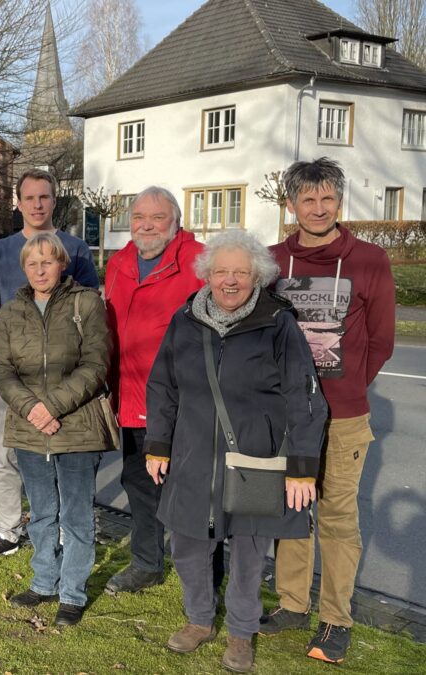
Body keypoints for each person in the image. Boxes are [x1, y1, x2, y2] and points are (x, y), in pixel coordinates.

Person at [144, 230, 327, 672]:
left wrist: (302, 467)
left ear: (257, 277)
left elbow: (304, 395)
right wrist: (158, 444)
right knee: (188, 546)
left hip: (255, 460)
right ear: (207, 275)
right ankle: (199, 619)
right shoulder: (185, 319)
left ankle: (241, 632)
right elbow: (162, 385)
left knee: (249, 552)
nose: (230, 281)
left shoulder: (277, 322)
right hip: (192, 457)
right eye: (221, 271)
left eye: (241, 273)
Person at [260, 157, 396, 664]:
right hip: (286, 415)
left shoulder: (369, 260)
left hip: (343, 416)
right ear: (290, 204)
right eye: (308, 199)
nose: (318, 208)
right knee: (291, 509)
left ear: (339, 201)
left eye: (328, 199)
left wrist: (348, 387)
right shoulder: (272, 261)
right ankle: (293, 604)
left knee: (337, 516)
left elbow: (381, 340)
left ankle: (336, 618)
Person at [0, 168, 99, 563]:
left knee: (61, 453)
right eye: (30, 198)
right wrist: (10, 356)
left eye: (44, 197)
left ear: (54, 200)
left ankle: (60, 529)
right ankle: (7, 531)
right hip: (13, 373)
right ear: (19, 202)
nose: (37, 204)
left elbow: (89, 305)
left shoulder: (76, 249)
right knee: (6, 453)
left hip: (63, 375)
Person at [0, 232, 111, 626]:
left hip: (76, 426)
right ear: (24, 268)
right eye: (32, 263)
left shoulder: (86, 303)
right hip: (29, 428)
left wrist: (52, 407)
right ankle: (44, 582)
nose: (40, 270)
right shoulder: (11, 312)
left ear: (62, 264)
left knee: (76, 515)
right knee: (42, 513)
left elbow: (95, 364)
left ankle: (72, 593)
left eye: (47, 262)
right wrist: (32, 409)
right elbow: (1, 369)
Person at [102, 186, 206, 594]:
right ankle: (147, 563)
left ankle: (198, 572)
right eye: (139, 217)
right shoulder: (119, 263)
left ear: (176, 222)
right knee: (139, 483)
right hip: (130, 397)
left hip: (181, 402)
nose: (146, 225)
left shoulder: (198, 261)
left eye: (157, 217)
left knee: (188, 488)